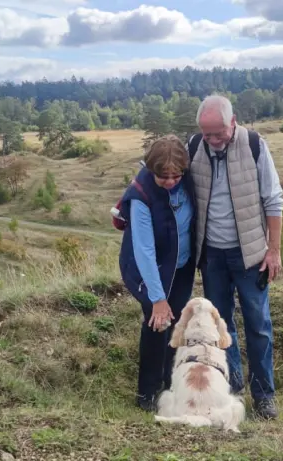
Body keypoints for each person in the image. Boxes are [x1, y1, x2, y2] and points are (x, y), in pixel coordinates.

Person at [187, 94, 283, 420]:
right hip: (212, 256)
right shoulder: (194, 147)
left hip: (251, 256)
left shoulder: (255, 145)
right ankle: (231, 386)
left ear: (234, 121)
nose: (212, 141)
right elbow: (162, 174)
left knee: (259, 326)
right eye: (206, 134)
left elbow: (273, 201)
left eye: (218, 133)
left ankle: (264, 396)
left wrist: (274, 251)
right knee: (219, 325)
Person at [118, 134, 197, 412]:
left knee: (175, 323)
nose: (171, 181)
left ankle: (170, 383)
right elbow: (144, 250)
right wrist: (157, 297)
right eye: (164, 177)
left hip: (182, 266)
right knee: (157, 323)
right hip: (147, 269)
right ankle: (147, 393)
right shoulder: (141, 195)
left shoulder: (188, 180)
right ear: (152, 170)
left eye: (176, 175)